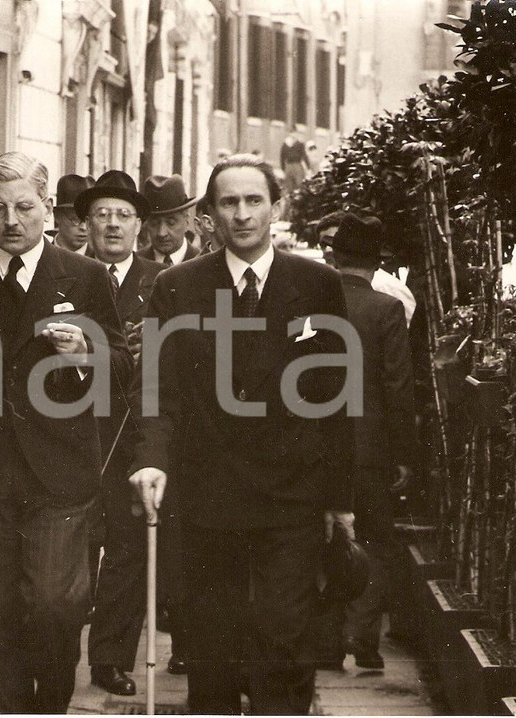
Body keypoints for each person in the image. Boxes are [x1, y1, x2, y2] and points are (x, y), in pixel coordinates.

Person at [128, 153, 354, 714]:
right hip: (209, 496)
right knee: (211, 645)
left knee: (285, 638)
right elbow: (158, 390)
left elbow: (337, 397)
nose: (243, 214)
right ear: (209, 214)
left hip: (291, 494)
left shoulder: (317, 284)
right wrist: (153, 460)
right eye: (229, 202)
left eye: (254, 200)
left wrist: (341, 500)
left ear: (277, 207)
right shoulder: (178, 287)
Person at [0, 151, 133, 713]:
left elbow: (121, 364)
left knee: (57, 606)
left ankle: (50, 702)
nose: (10, 221)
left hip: (59, 476)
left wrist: (85, 352)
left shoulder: (83, 276)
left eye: (24, 207)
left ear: (48, 208)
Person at [75, 170, 165, 696]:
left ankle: (110, 658)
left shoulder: (162, 281)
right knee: (71, 545)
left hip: (135, 435)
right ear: (85, 224)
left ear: (140, 226)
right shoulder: (65, 275)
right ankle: (59, 645)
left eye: (123, 215)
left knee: (128, 551)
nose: (112, 224)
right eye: (101, 215)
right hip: (74, 432)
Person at [327, 213, 415, 671]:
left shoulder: (310, 304)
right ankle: (363, 640)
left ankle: (323, 641)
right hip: (369, 452)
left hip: (317, 449)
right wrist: (403, 453)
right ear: (375, 263)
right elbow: (398, 386)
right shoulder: (386, 310)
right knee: (376, 542)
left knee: (318, 539)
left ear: (336, 256)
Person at [317, 211, 416, 327]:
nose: (328, 250)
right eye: (324, 245)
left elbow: (408, 332)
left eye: (335, 242)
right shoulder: (322, 285)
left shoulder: (387, 286)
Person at [138, 174, 200, 266]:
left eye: (171, 223)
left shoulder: (202, 263)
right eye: (155, 223)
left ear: (186, 220)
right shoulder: (135, 263)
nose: (161, 233)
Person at [52, 174, 96, 255]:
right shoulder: (38, 257)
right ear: (57, 216)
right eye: (75, 219)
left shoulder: (102, 262)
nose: (84, 228)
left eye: (88, 220)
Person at [279, 131, 310, 218]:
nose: (294, 135)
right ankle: (287, 215)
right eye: (292, 133)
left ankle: (298, 214)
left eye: (295, 133)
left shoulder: (300, 144)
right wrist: (284, 169)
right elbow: (282, 157)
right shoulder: (285, 144)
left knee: (299, 188)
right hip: (289, 166)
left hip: (297, 166)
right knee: (288, 191)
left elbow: (304, 155)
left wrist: (308, 167)